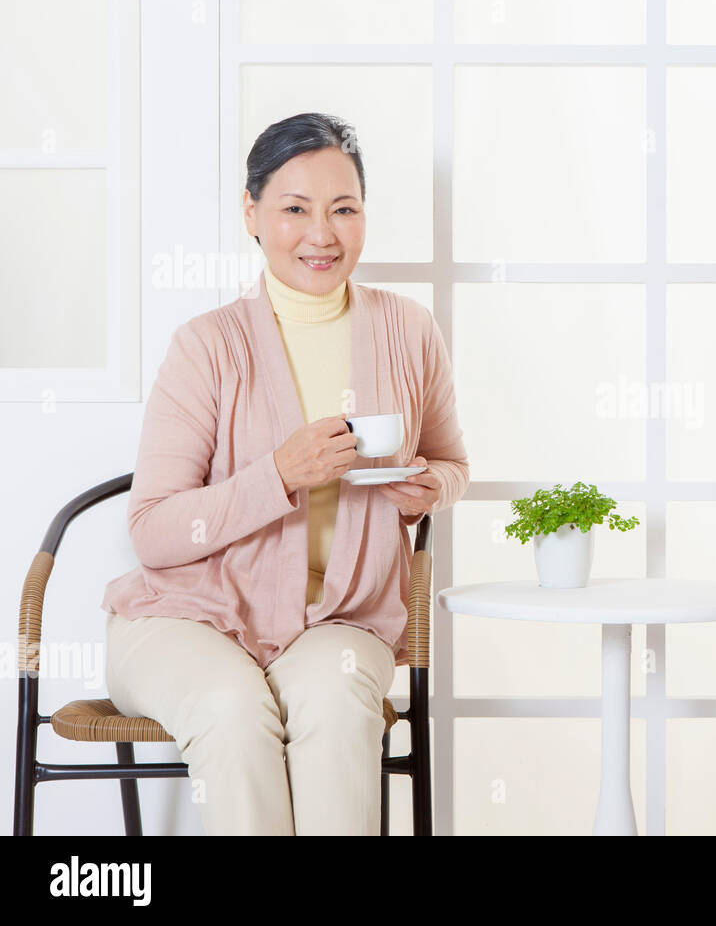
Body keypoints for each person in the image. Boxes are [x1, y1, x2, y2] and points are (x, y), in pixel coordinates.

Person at [101, 112, 468, 835]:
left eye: (344, 209)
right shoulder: (206, 346)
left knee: (336, 707)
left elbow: (451, 463)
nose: (322, 234)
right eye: (295, 209)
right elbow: (151, 531)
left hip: (339, 619)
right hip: (186, 619)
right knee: (233, 709)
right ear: (252, 214)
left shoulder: (408, 329)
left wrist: (430, 487)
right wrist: (277, 475)